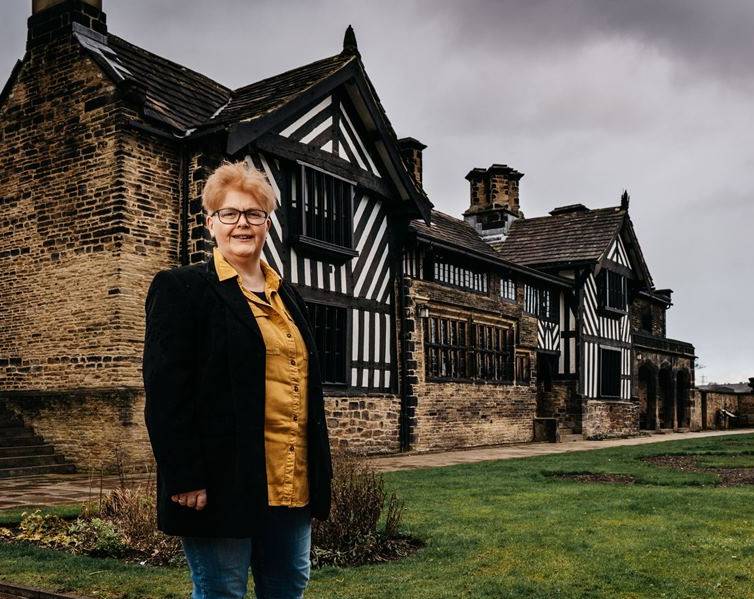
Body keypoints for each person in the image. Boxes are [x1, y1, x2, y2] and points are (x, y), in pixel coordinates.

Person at [142, 160, 332, 599]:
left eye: (254, 214)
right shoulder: (182, 289)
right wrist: (184, 475)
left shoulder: (289, 296)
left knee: (288, 587)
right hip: (220, 480)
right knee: (222, 592)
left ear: (268, 224)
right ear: (211, 223)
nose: (241, 224)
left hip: (290, 481)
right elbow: (167, 392)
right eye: (230, 213)